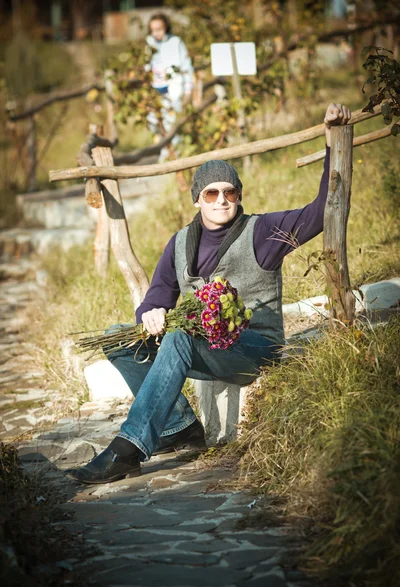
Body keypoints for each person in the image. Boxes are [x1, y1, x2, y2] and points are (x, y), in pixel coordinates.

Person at [68, 103, 351, 485]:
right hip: (207, 348)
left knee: (181, 336)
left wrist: (334, 142)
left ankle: (128, 448)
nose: (221, 199)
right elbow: (156, 297)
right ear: (197, 199)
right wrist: (149, 313)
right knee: (118, 339)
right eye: (212, 192)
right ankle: (178, 429)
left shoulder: (263, 231)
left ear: (238, 195)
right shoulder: (180, 242)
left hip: (255, 348)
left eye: (229, 192)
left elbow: (320, 212)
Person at [145, 13, 194, 161]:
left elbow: (186, 66)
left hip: (174, 87)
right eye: (153, 30)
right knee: (154, 120)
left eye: (159, 29)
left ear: (165, 27)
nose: (157, 33)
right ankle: (164, 148)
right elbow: (147, 64)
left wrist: (188, 88)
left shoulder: (176, 42)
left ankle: (172, 154)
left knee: (172, 121)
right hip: (156, 88)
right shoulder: (149, 43)